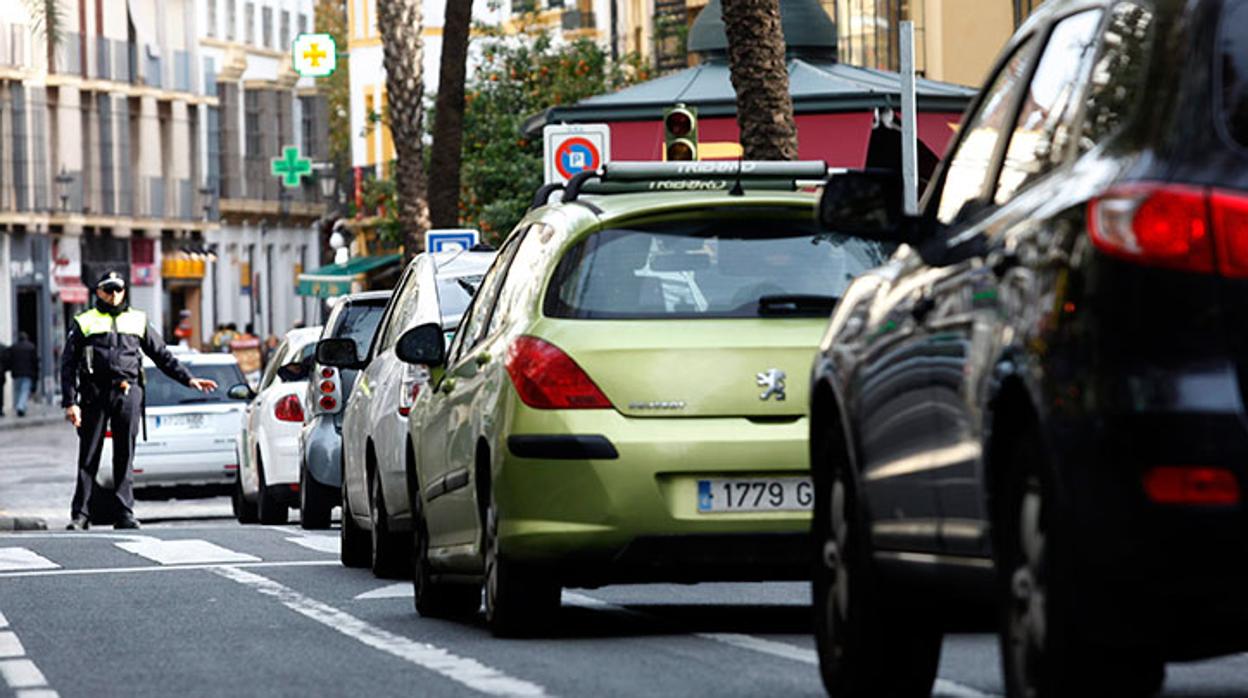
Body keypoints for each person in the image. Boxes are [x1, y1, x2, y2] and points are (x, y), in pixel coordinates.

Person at [61, 271, 218, 530]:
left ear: (124, 291)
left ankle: (124, 512)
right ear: (98, 292)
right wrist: (70, 402)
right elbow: (68, 365)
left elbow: (162, 356)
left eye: (118, 289)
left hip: (127, 391)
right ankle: (80, 515)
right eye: (108, 290)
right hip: (94, 394)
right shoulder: (84, 321)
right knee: (89, 456)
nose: (113, 295)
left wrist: (189, 380)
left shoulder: (138, 319)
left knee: (125, 455)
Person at [9, 332, 39, 417]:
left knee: (18, 391)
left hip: (16, 373)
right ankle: (21, 407)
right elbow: (35, 361)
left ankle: (20, 406)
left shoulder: (14, 347)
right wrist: (35, 373)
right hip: (27, 373)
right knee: (24, 391)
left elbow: (9, 360)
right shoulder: (31, 347)